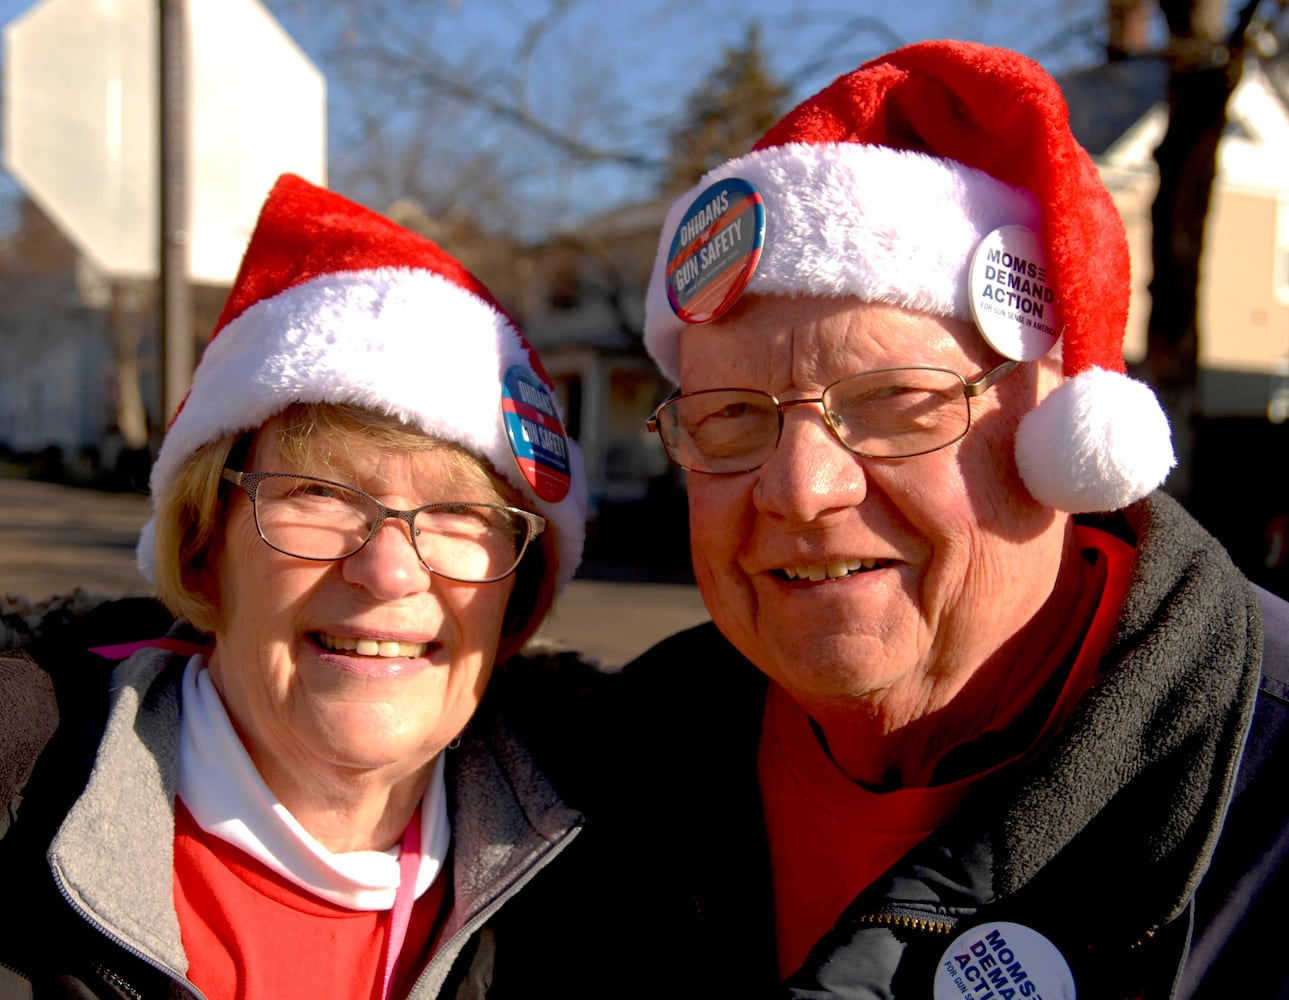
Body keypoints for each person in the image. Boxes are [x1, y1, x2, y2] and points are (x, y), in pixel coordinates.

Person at [531, 40, 1289, 998]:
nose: (800, 489)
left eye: (894, 402)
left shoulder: (1269, 792)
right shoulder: (607, 764)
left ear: (1051, 424)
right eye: (728, 419)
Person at [0, 173, 593, 998]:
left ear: (515, 592)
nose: (389, 571)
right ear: (206, 546)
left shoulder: (616, 881)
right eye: (318, 494)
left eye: (462, 515)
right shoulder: (17, 814)